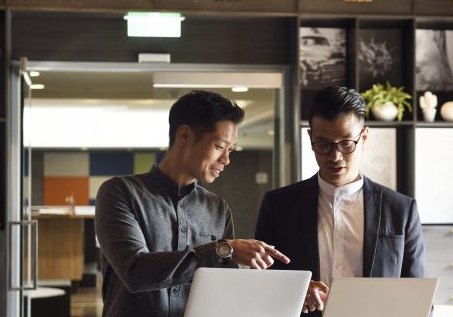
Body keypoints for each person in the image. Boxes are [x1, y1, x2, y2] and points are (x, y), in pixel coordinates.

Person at [95, 90, 290, 317]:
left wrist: (288, 296)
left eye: (230, 150)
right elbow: (136, 272)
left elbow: (227, 290)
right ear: (185, 134)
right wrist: (222, 250)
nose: (226, 159)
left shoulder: (218, 209)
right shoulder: (120, 192)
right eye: (219, 146)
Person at [255, 86, 426, 316]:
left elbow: (417, 299)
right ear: (310, 138)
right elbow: (259, 287)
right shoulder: (278, 206)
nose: (335, 157)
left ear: (364, 137)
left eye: (346, 143)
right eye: (324, 144)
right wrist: (296, 290)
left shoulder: (401, 210)